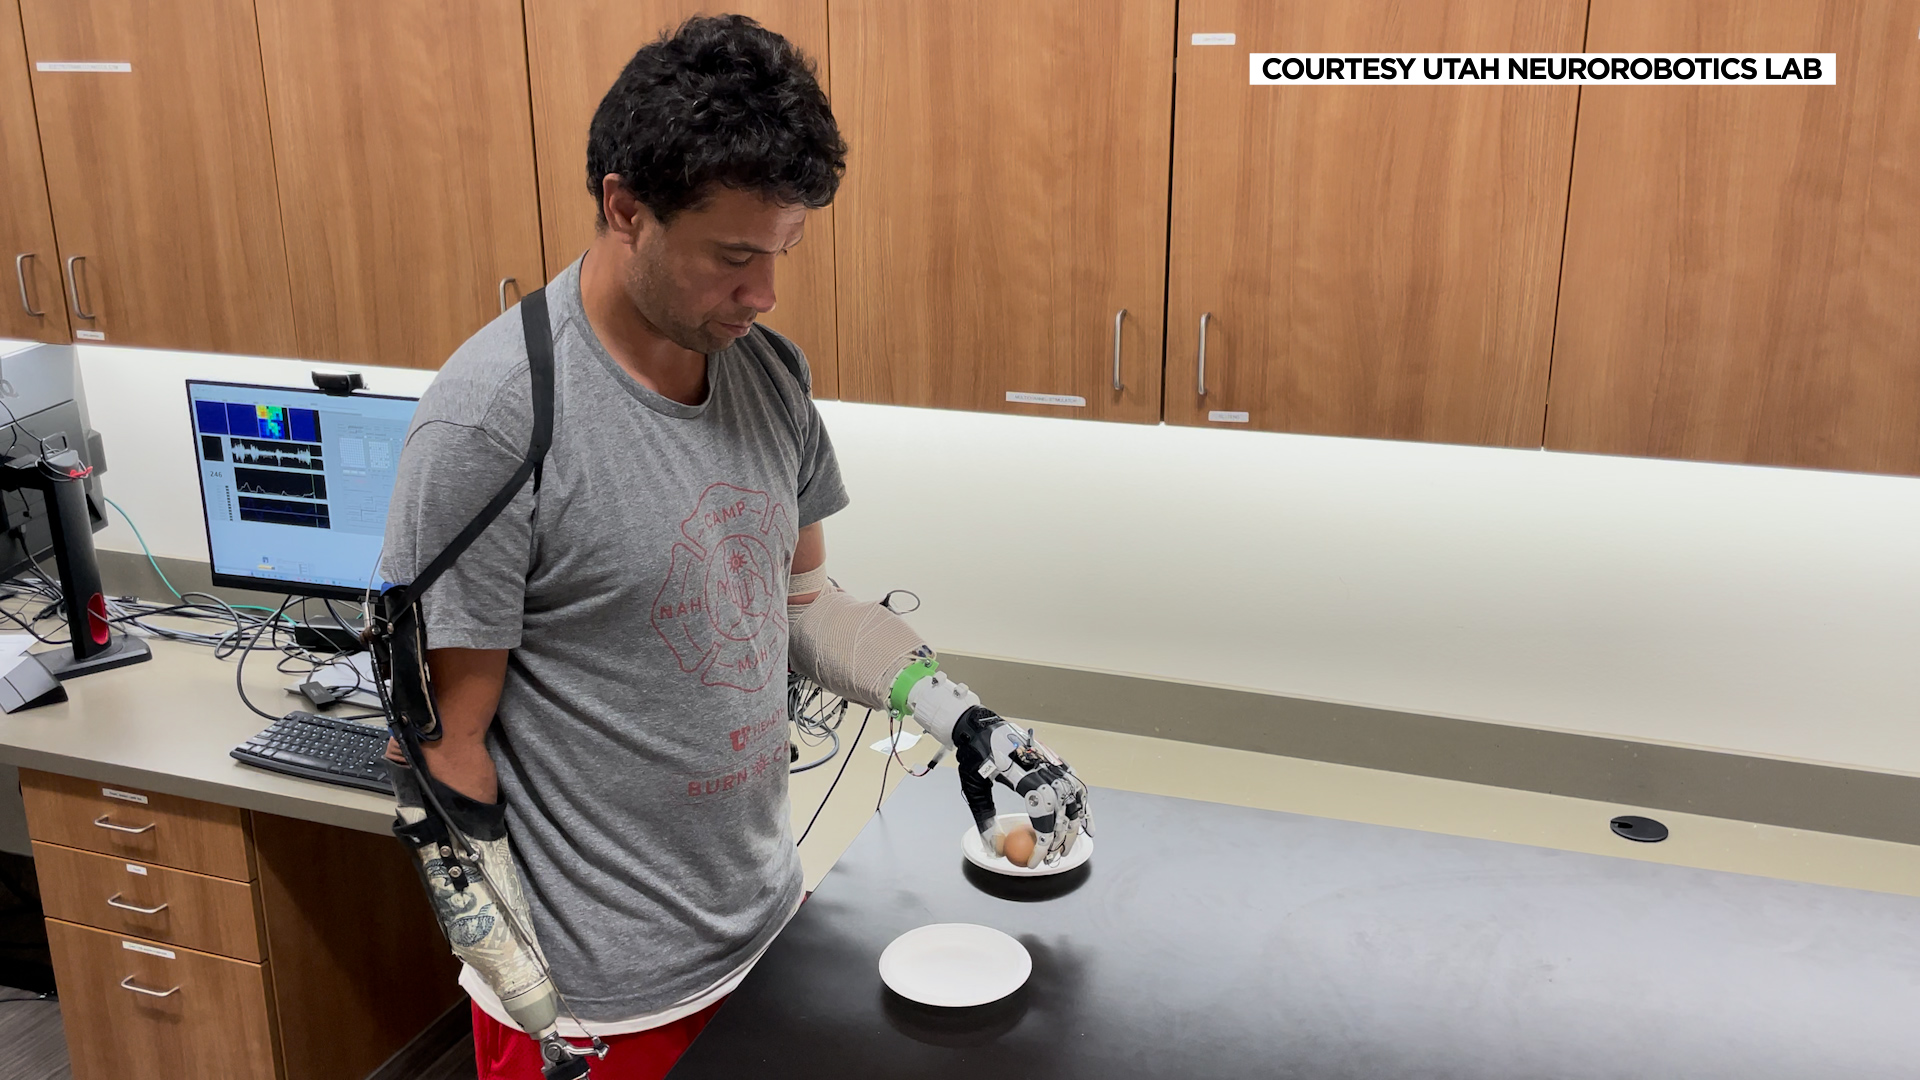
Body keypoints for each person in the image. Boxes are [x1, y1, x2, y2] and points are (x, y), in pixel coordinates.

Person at [381, 16, 1090, 1080]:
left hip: (766, 935)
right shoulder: (492, 422)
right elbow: (439, 745)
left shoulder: (768, 375)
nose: (763, 293)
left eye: (783, 251)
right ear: (627, 208)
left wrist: (964, 719)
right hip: (596, 1009)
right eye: (733, 256)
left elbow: (803, 606)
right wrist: (534, 1006)